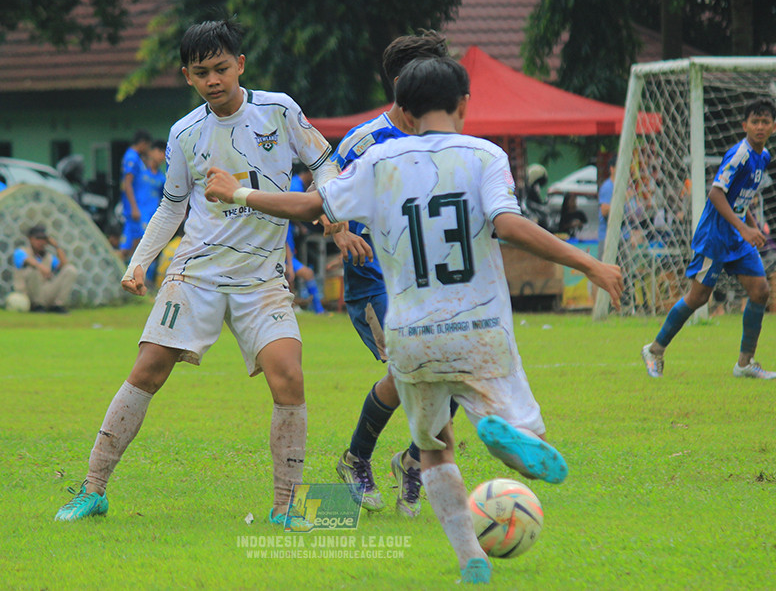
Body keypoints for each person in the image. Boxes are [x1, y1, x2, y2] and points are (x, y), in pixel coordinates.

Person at [204, 57, 623, 584]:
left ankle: (471, 556)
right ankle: (505, 432)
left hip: (410, 335)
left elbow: (309, 206)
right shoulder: (484, 155)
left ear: (402, 108)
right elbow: (510, 226)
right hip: (479, 328)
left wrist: (236, 192)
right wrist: (589, 263)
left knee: (432, 450)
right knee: (522, 425)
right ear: (464, 104)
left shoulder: (381, 162)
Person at [54, 18, 339, 525]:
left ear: (241, 65)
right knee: (147, 369)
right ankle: (92, 489)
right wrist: (139, 262)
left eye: (222, 68)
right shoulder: (185, 133)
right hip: (197, 271)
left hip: (263, 276)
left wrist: (336, 217)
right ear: (188, 76)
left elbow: (327, 166)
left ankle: (287, 506)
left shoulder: (279, 111)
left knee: (289, 376)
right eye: (201, 71)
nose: (213, 80)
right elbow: (171, 207)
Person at [329, 31, 451, 518]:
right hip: (374, 281)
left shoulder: (442, 138)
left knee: (451, 370)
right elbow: (324, 195)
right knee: (410, 367)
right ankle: (358, 458)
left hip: (430, 281)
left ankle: (414, 459)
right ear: (404, 82)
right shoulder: (367, 139)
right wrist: (340, 232)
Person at [642, 98, 776, 380]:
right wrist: (744, 229)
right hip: (715, 236)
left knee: (761, 291)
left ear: (774, 127)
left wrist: (751, 226)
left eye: (765, 122)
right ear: (745, 126)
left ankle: (744, 363)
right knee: (698, 297)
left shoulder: (763, 157)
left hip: (737, 236)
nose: (760, 126)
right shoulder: (739, 155)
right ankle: (655, 349)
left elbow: (741, 198)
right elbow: (716, 194)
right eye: (755, 121)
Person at [12, 224, 78, 313]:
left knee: (70, 269)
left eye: (43, 239)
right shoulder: (21, 252)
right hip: (28, 295)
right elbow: (28, 260)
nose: (41, 242)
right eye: (37, 238)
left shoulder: (48, 257)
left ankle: (58, 305)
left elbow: (64, 265)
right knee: (33, 271)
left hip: (45, 292)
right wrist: (41, 267)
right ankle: (37, 306)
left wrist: (56, 247)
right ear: (30, 239)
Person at [286, 163, 324, 314]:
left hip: (286, 248)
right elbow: (290, 207)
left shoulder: (297, 184)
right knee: (306, 273)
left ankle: (299, 306)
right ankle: (318, 310)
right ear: (309, 172)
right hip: (281, 250)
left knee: (294, 278)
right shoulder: (295, 186)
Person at [119, 129, 158, 260]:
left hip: (137, 207)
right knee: (137, 243)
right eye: (147, 146)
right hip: (135, 208)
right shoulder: (132, 157)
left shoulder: (137, 158)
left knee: (133, 243)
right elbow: (127, 183)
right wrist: (134, 207)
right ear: (142, 143)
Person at [597, 157, 616, 257]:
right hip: (608, 238)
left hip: (623, 237)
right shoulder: (608, 187)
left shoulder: (624, 186)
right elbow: (604, 211)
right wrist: (621, 202)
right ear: (612, 169)